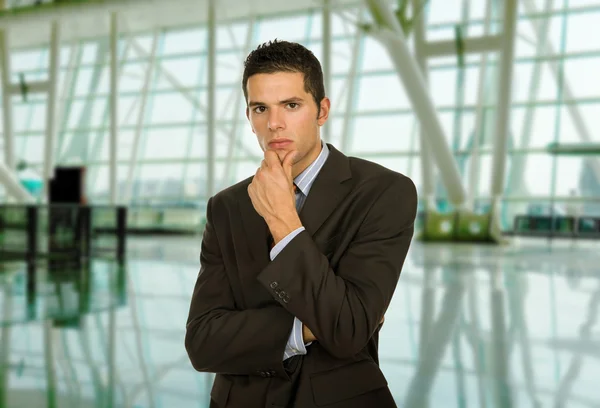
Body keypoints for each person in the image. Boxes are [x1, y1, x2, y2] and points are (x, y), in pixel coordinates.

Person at [185, 39, 418, 408]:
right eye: (260, 108)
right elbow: (202, 342)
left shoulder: (384, 192)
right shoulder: (226, 206)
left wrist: (282, 220)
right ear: (249, 117)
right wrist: (308, 328)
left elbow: (346, 331)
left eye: (291, 105)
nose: (274, 124)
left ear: (321, 110)